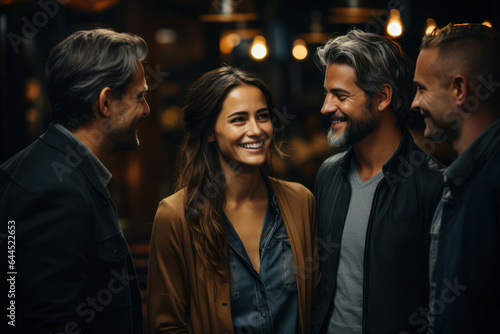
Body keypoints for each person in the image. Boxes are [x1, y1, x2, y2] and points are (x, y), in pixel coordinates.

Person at [146, 66, 319, 333]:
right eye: (239, 119)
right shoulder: (175, 215)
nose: (256, 130)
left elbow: (316, 304)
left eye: (263, 116)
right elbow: (166, 325)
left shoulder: (300, 202)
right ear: (211, 132)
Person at [0, 28, 149, 333]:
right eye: (140, 96)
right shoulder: (58, 190)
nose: (146, 110)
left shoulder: (52, 170)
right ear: (106, 102)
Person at [312, 29, 444, 334]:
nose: (326, 107)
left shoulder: (434, 185)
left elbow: (444, 302)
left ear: (382, 97)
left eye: (340, 95)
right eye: (326, 93)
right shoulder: (328, 175)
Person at [411, 23, 500, 334]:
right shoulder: (464, 180)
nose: (414, 103)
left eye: (422, 88)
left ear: (460, 91)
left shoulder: (491, 182)